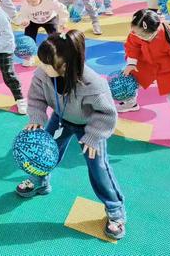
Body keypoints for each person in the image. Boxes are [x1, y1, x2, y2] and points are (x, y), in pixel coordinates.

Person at [17, 30, 126, 240]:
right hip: (61, 118)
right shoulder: (43, 74)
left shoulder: (93, 84)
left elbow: (106, 113)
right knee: (42, 152)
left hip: (90, 125)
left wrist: (93, 136)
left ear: (64, 66)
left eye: (46, 63)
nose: (41, 66)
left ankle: (115, 211)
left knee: (99, 167)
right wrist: (36, 119)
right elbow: (36, 98)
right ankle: (39, 181)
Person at [122, 9, 170, 114]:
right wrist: (132, 63)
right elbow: (132, 45)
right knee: (129, 78)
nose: (137, 36)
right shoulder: (136, 32)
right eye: (135, 32)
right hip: (146, 60)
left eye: (143, 35)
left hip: (168, 68)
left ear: (155, 29)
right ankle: (131, 103)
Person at [13, 0, 68, 65]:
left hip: (49, 19)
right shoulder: (25, 4)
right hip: (33, 21)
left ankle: (57, 55)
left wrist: (63, 22)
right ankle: (28, 57)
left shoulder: (49, 0)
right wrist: (23, 21)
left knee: (55, 37)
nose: (31, 1)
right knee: (28, 38)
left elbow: (62, 10)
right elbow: (22, 15)